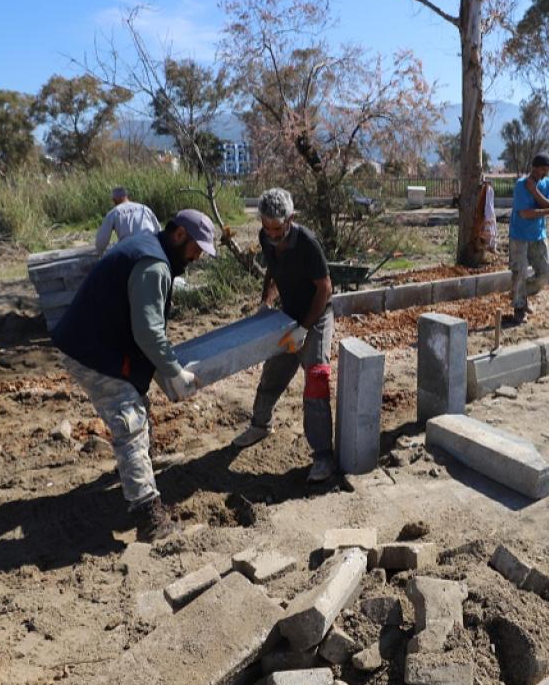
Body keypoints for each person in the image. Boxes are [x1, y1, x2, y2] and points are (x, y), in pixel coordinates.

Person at [52, 209, 217, 541]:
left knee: (137, 404)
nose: (197, 257)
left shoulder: (148, 245)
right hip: (92, 351)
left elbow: (143, 332)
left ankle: (143, 467)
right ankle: (149, 517)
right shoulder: (154, 265)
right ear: (180, 235)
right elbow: (149, 333)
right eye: (196, 248)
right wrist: (175, 374)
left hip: (95, 340)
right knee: (130, 421)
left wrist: (160, 370)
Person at [231, 188, 337, 482]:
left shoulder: (307, 243)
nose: (272, 233)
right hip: (287, 315)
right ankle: (260, 425)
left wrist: (305, 328)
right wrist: (265, 303)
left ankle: (323, 456)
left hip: (316, 316)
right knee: (274, 371)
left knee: (316, 377)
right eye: (267, 226)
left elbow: (325, 288)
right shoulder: (266, 237)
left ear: (291, 219)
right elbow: (272, 270)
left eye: (278, 228)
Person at [509, 153, 549, 324]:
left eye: (547, 170)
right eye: (543, 170)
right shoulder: (521, 185)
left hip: (538, 235)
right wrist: (548, 210)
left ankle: (520, 294)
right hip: (519, 236)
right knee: (520, 272)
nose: (545, 173)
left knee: (545, 273)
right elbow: (525, 213)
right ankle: (519, 307)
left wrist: (534, 191)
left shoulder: (547, 183)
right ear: (534, 168)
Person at [94, 187, 162, 254]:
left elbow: (102, 239)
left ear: (115, 199)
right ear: (126, 196)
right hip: (151, 246)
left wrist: (100, 252)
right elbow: (158, 230)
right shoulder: (144, 208)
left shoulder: (114, 213)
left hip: (130, 249)